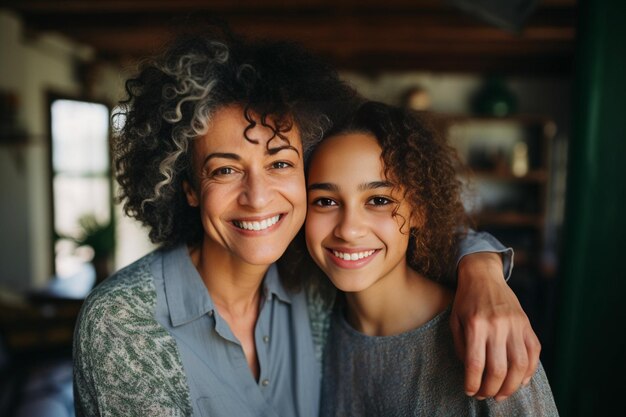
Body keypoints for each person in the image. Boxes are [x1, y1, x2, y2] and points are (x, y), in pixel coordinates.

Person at [73, 29, 540, 416]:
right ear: (188, 186)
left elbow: (407, 227)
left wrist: (482, 269)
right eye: (225, 169)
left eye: (279, 164)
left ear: (304, 174)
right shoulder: (123, 324)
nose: (257, 198)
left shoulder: (315, 286)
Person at [305, 101, 558, 416]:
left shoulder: (487, 337)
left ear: (420, 211)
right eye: (325, 201)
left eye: (379, 200)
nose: (349, 229)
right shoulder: (314, 327)